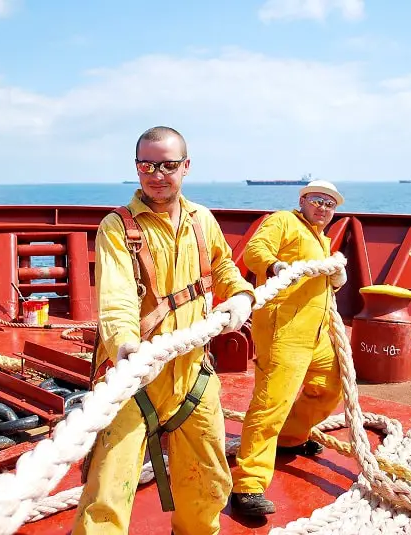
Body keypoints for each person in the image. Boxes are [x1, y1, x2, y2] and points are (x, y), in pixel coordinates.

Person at [72, 126, 256, 535]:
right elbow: (116, 298)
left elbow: (222, 267)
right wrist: (123, 345)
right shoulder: (117, 228)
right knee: (107, 492)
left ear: (186, 167)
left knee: (210, 481)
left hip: (193, 372)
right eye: (147, 165)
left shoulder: (202, 221)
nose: (157, 174)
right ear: (136, 168)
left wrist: (241, 294)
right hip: (136, 376)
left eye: (168, 165)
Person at [229, 180, 346, 516]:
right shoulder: (283, 221)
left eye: (330, 203)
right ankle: (248, 486)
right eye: (317, 200)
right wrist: (276, 266)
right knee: (270, 406)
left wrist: (335, 275)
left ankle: (292, 437)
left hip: (318, 334)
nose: (323, 207)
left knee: (329, 386)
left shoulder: (321, 238)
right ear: (302, 200)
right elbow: (254, 252)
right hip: (286, 333)